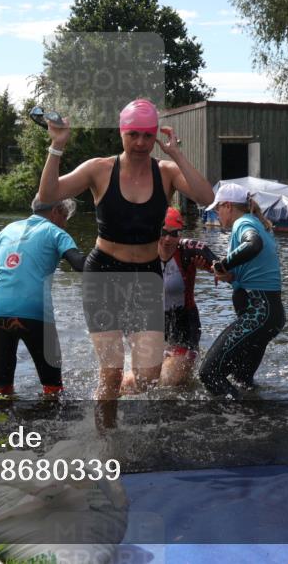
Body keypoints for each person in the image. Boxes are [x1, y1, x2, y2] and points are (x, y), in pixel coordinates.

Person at [37, 98, 215, 400]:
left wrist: (177, 154)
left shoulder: (166, 171)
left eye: (148, 135)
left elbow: (206, 195)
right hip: (104, 273)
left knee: (148, 376)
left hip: (146, 275)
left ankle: (115, 414)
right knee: (111, 371)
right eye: (133, 134)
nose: (141, 142)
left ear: (156, 135)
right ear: (122, 132)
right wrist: (57, 146)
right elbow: (48, 194)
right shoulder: (100, 169)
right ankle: (106, 441)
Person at [0, 196, 86, 396]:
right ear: (56, 212)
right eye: (65, 217)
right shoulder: (56, 232)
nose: (65, 223)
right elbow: (80, 265)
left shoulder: (7, 230)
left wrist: (9, 295)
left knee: (1, 387)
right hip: (36, 313)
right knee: (53, 386)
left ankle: (0, 425)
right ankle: (52, 423)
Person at [199, 183, 286, 398]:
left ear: (228, 205)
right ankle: (255, 420)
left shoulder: (243, 223)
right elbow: (252, 276)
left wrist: (223, 265)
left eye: (217, 209)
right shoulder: (257, 223)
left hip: (259, 313)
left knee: (209, 373)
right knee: (242, 381)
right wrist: (226, 275)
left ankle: (234, 425)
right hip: (269, 315)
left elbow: (253, 244)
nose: (216, 214)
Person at [122, 207, 218, 392]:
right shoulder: (141, 253)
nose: (168, 239)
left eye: (173, 234)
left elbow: (221, 267)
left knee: (171, 380)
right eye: (163, 233)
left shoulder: (188, 251)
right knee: (135, 384)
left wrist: (217, 270)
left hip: (184, 324)